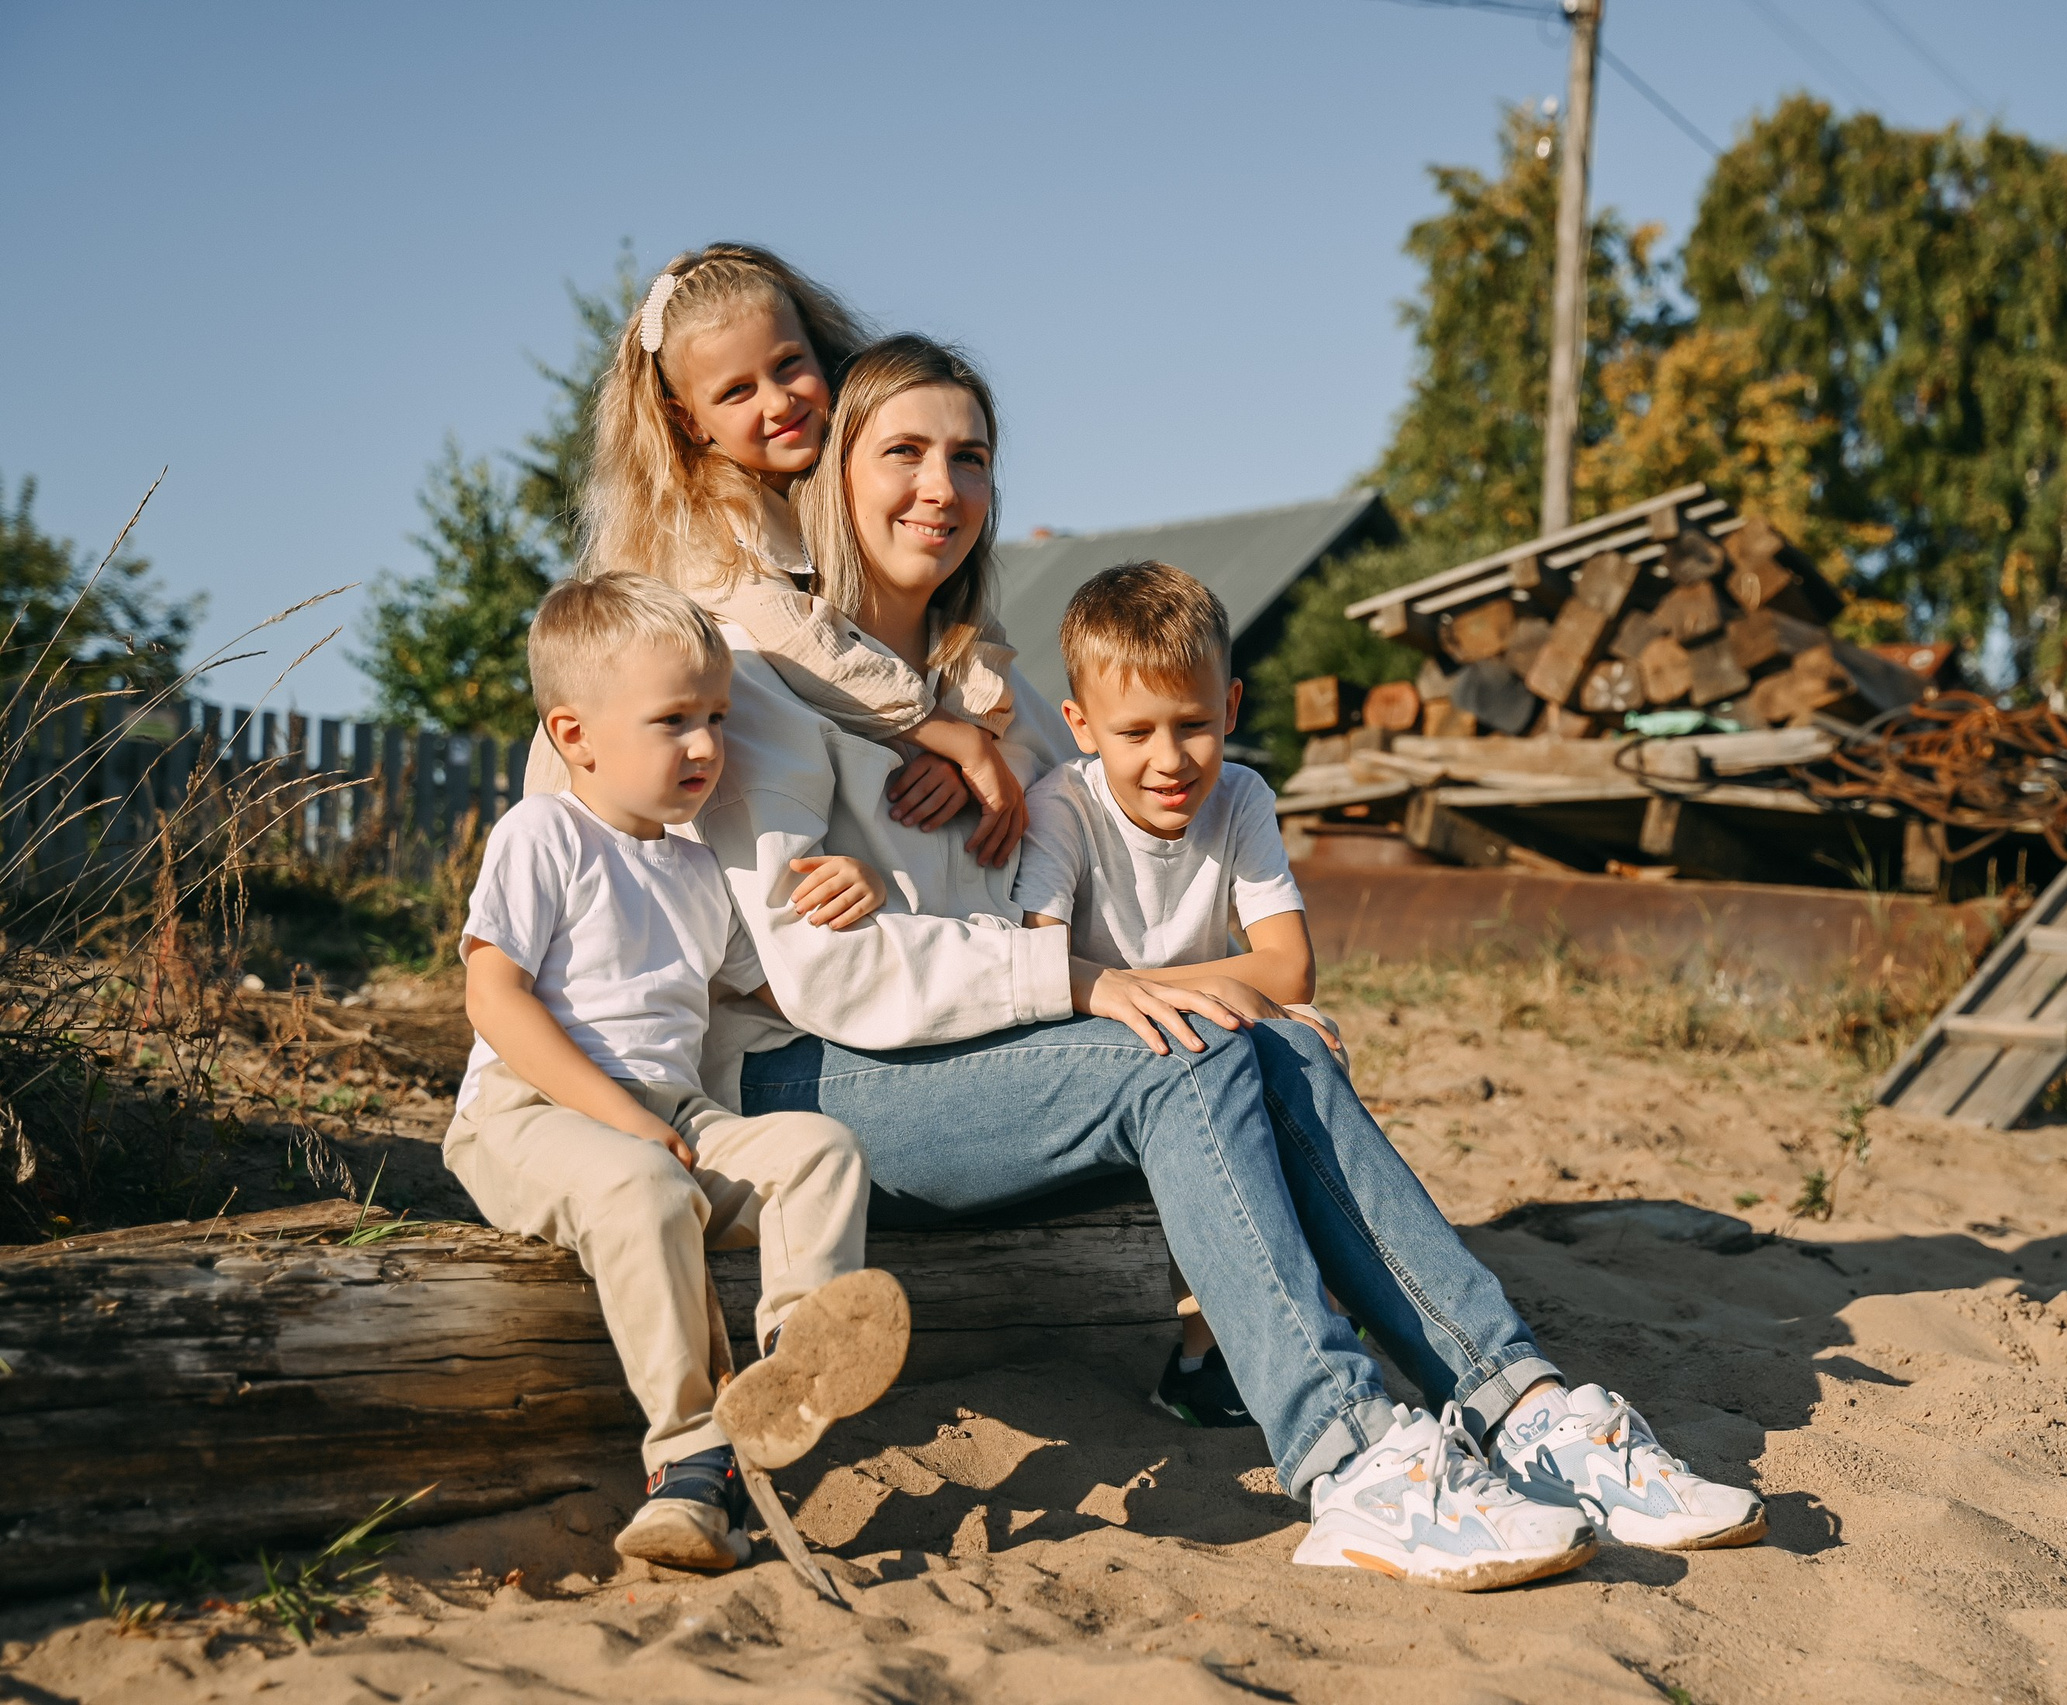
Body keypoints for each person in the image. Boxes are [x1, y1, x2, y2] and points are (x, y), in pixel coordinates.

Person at [702, 330, 1771, 1588]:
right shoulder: (763, 676)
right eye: (904, 453)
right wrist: (1096, 988)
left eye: (970, 457)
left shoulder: (1001, 700)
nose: (941, 486)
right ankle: (1353, 1460)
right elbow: (823, 974)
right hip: (811, 1086)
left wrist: (1215, 992)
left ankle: (1523, 1407)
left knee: (1261, 1041)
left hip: (985, 1075)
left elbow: (1097, 867)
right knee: (1185, 1049)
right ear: (831, 472)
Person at [444, 572, 906, 1574]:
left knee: (819, 1150)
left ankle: (790, 1371)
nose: (705, 746)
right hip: (531, 1110)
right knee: (648, 1186)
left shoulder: (699, 870)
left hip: (672, 1110)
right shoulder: (544, 835)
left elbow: (776, 991)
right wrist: (617, 1115)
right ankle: (688, 1463)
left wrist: (864, 893)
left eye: (715, 718)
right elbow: (495, 999)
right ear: (576, 736)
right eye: (672, 721)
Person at [572, 242, 1037, 865]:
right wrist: (943, 732)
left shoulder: (816, 496)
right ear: (690, 424)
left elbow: (970, 624)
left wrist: (977, 728)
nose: (778, 402)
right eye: (737, 391)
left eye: (788, 364)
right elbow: (800, 640)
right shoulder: (706, 523)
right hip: (611, 857)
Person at [1011, 559, 1343, 1430]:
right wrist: (1192, 991)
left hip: (1190, 1027)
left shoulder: (1240, 798)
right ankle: (1208, 1346)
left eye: (1195, 725)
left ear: (1231, 709)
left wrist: (1140, 981)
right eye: (1137, 732)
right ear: (1082, 726)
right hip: (1094, 1050)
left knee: (1313, 1036)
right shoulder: (1063, 811)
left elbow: (1290, 968)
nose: (1170, 760)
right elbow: (1040, 963)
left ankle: (1295, 1303)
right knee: (1216, 1051)